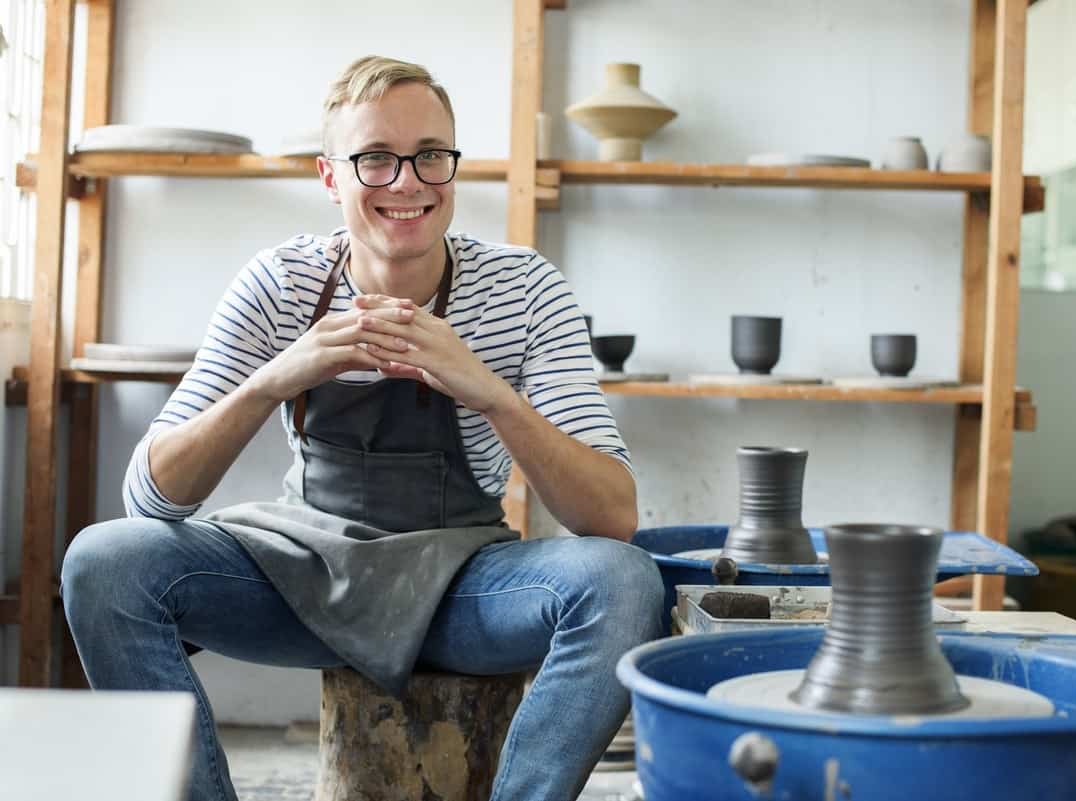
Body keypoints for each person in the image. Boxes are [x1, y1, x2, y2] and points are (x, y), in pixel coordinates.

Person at [60, 55, 664, 801]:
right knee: (103, 561)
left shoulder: (526, 289)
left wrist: (491, 394)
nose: (407, 181)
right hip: (296, 578)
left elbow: (613, 517)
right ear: (330, 176)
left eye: (430, 156)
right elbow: (151, 501)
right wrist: (276, 378)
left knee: (627, 583)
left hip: (459, 592)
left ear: (454, 167)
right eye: (374, 158)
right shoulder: (279, 282)